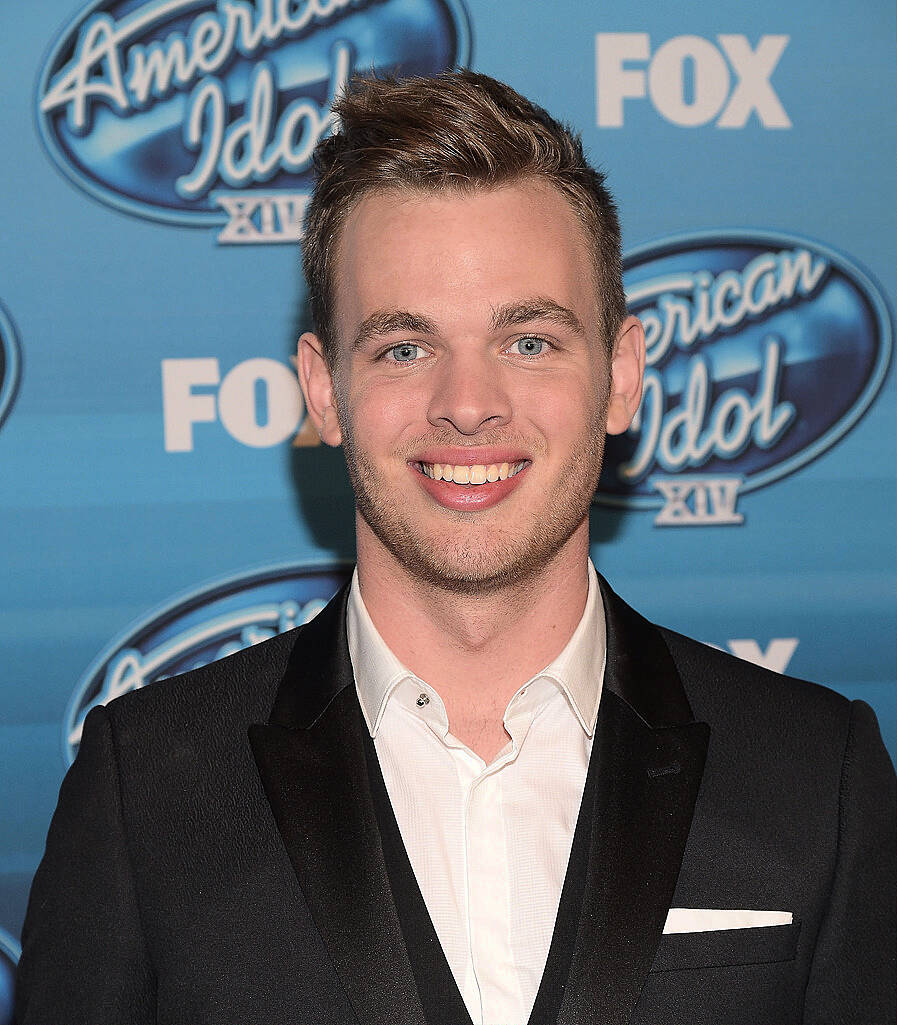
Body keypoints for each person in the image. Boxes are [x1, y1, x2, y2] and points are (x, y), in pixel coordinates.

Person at [15, 71, 895, 1025]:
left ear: (622, 375)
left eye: (528, 342)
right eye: (404, 347)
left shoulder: (817, 772)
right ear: (322, 391)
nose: (467, 403)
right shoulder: (146, 788)